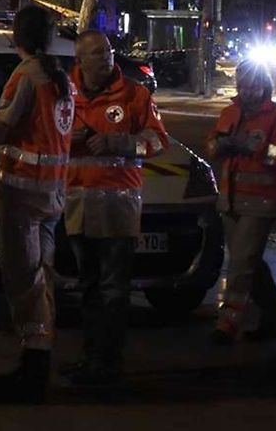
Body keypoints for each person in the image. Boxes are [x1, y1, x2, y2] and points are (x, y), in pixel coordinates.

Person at [64, 30, 168, 385]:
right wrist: (67, 141)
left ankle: (108, 363)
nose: (106, 57)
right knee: (89, 287)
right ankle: (90, 357)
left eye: (108, 51)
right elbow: (44, 137)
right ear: (80, 60)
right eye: (96, 53)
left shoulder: (135, 95)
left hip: (119, 207)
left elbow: (157, 142)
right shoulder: (64, 95)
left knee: (113, 288)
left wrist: (120, 142)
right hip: (78, 204)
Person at [0, 5, 75, 403]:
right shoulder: (62, 79)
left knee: (23, 278)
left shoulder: (25, 76)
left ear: (17, 37)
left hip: (22, 191)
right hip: (53, 193)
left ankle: (34, 365)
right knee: (43, 275)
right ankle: (38, 355)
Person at [206, 61, 276, 344]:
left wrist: (254, 147)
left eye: (253, 85)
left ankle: (228, 324)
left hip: (260, 203)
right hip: (230, 202)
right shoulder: (230, 113)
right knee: (250, 264)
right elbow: (211, 146)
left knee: (241, 266)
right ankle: (275, 320)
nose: (247, 91)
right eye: (242, 85)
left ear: (264, 85)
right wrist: (220, 145)